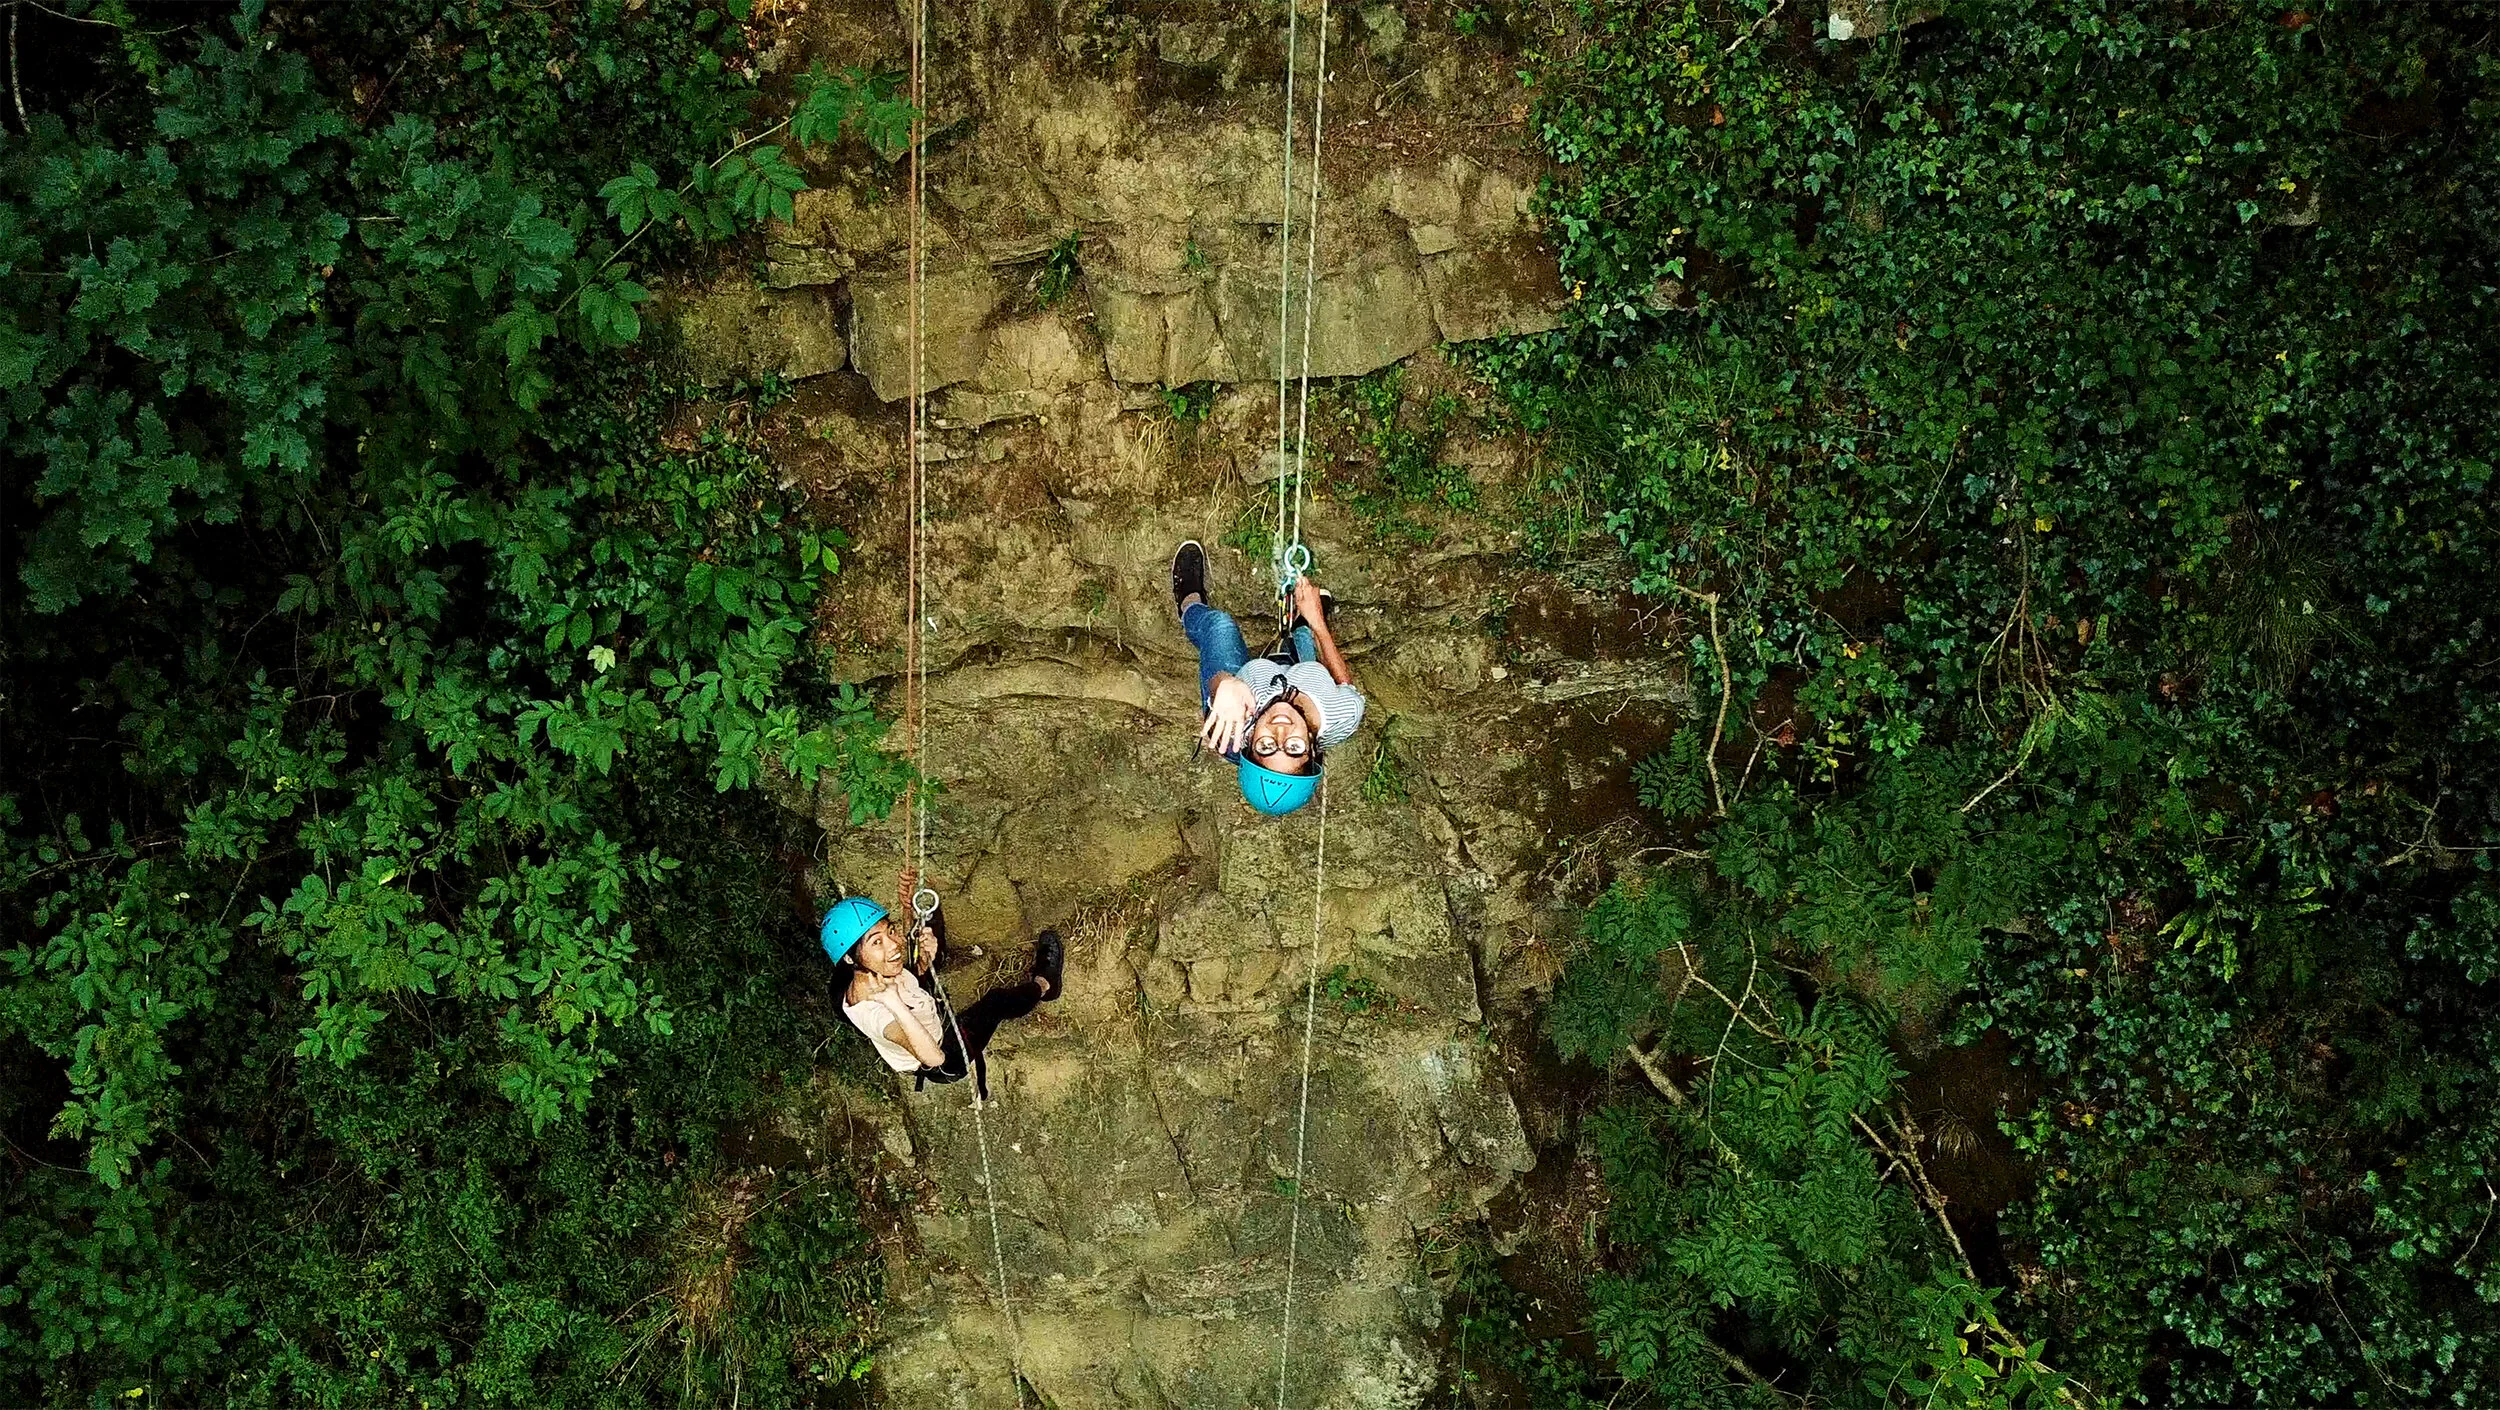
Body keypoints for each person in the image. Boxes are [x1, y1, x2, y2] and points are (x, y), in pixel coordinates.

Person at [1169, 539, 1366, 816]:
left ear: (1249, 743)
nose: (1281, 731)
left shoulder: (1233, 731)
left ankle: (1189, 603)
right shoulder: (1342, 714)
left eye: (1267, 746)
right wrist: (1317, 622)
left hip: (1246, 689)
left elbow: (1219, 686)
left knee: (1219, 627)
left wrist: (1227, 685)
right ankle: (1301, 625)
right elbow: (1344, 685)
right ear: (1312, 749)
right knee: (1304, 649)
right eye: (1294, 748)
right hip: (1302, 678)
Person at [820, 879, 1062, 1099]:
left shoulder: (868, 970)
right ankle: (1046, 984)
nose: (894, 944)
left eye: (890, 931)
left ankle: (935, 953)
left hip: (920, 1005)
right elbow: (935, 1057)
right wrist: (893, 1002)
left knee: (927, 940)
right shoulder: (877, 1014)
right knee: (995, 1003)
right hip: (945, 1056)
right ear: (850, 959)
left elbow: (904, 961)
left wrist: (908, 908)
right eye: (876, 942)